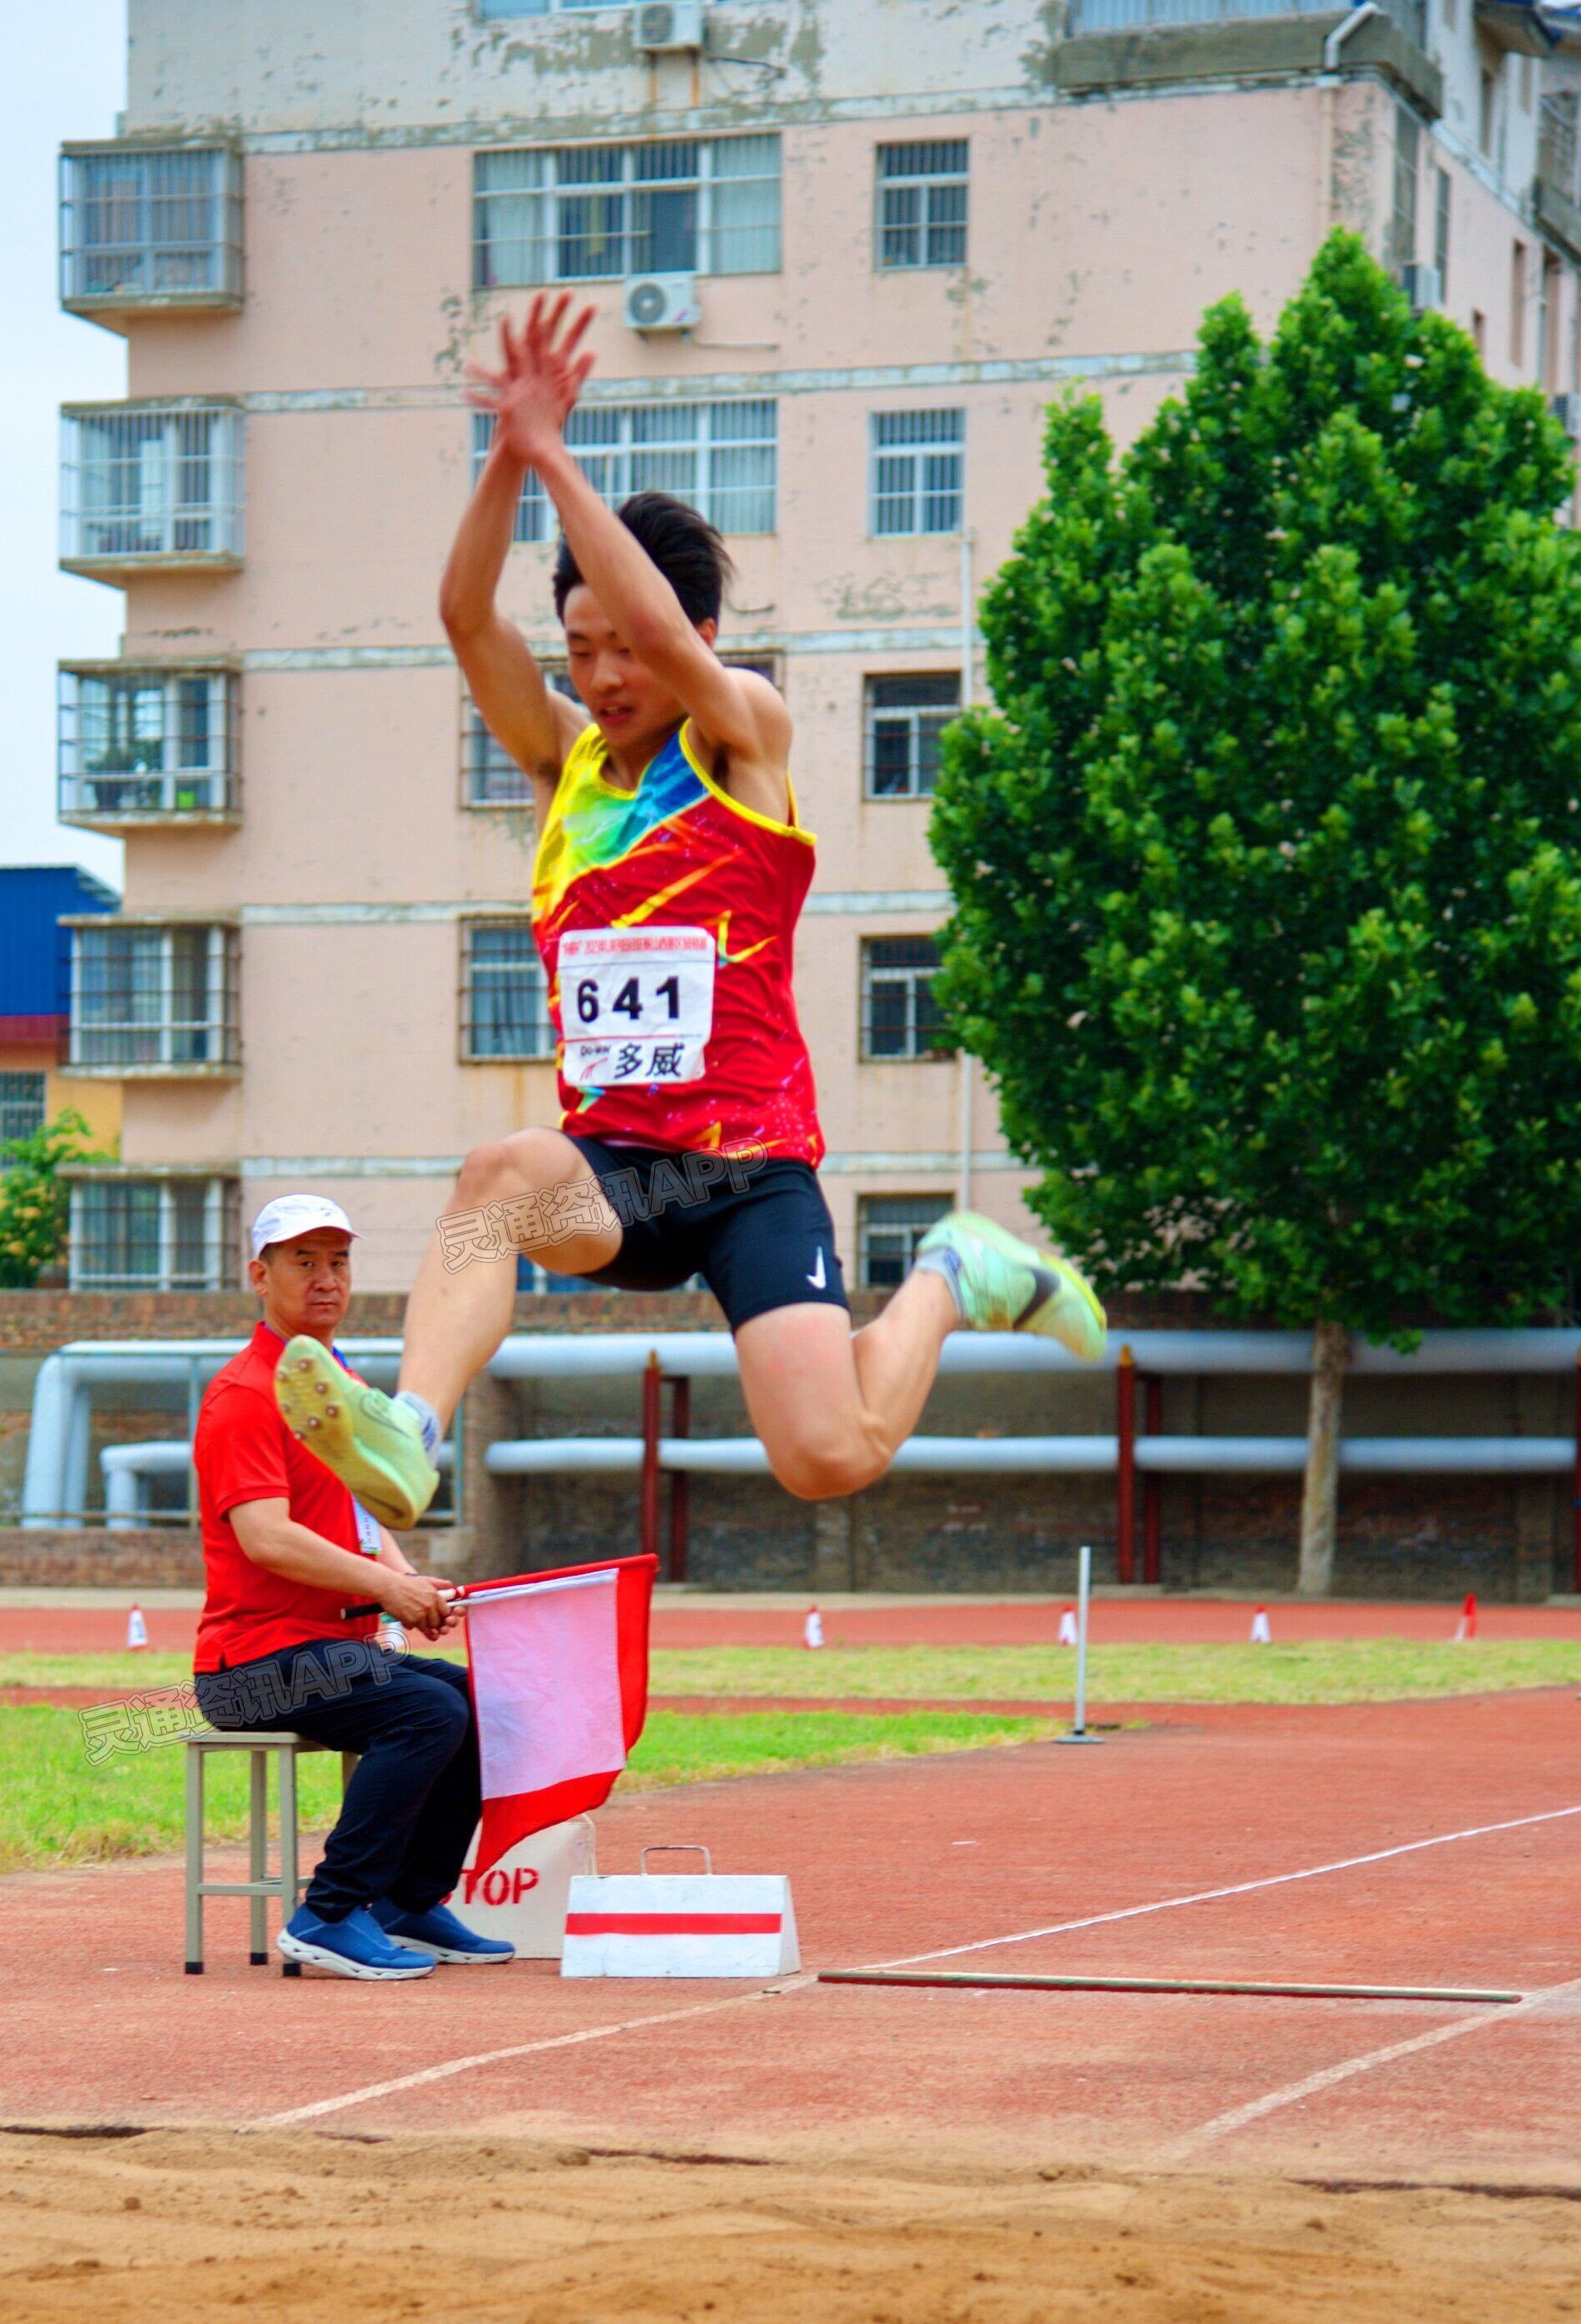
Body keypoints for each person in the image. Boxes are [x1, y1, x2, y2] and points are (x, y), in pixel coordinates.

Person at [270, 289, 1104, 1534]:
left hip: (749, 1170)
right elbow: (461, 617)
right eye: (581, 648)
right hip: (624, 1180)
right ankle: (415, 1432)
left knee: (829, 1456)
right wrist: (508, 457)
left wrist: (558, 459)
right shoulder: (566, 769)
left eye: (628, 645)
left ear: (697, 635)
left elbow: (665, 631)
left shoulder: (743, 734)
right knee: (495, 1174)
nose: (603, 675)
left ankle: (955, 1272)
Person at [190, 1194, 514, 1984]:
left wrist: (405, 1581)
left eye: (338, 1260)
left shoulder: (333, 1381)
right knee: (427, 1710)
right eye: (304, 1261)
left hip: (330, 1650)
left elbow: (362, 1513)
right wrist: (383, 1587)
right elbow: (265, 1536)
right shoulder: (244, 1396)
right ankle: (330, 1912)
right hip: (249, 1667)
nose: (326, 1278)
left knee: (482, 1702)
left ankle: (407, 1899)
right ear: (259, 1276)